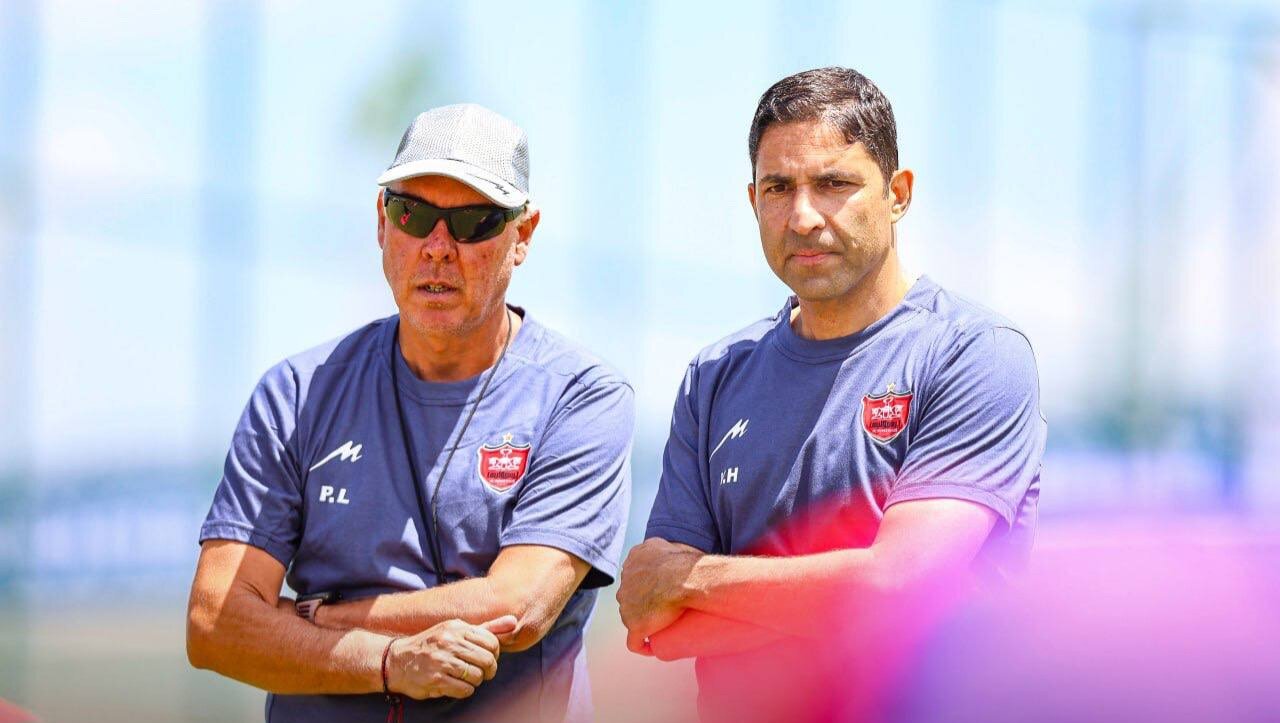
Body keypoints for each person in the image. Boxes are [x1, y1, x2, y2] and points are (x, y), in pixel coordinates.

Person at [616, 67, 1046, 722]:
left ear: (898, 194)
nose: (803, 216)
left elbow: (899, 585)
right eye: (778, 188)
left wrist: (696, 580)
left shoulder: (973, 354)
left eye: (834, 184)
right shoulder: (716, 376)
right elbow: (660, 627)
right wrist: (851, 599)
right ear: (752, 200)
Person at [187, 103, 634, 723]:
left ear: (523, 236)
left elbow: (517, 608)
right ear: (382, 221)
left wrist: (317, 617)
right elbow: (215, 622)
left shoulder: (580, 396)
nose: (438, 248)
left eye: (474, 223)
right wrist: (390, 660)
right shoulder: (296, 393)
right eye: (413, 215)